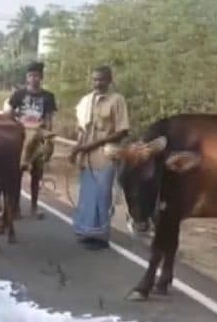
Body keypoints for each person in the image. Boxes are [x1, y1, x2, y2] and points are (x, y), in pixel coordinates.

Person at [70, 65, 130, 250]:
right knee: (87, 193)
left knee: (102, 195)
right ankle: (87, 232)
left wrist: (92, 145)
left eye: (101, 79)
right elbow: (82, 129)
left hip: (105, 153)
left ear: (109, 80)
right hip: (87, 154)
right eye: (95, 79)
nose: (97, 83)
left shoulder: (117, 100)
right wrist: (77, 150)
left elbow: (122, 130)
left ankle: (101, 237)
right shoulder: (87, 101)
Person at [8, 61, 58, 219]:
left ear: (41, 77)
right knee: (16, 174)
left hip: (38, 138)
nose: (33, 78)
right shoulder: (19, 94)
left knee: (36, 175)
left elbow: (49, 119)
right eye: (30, 75)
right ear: (27, 78)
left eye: (36, 75)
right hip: (20, 137)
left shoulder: (48, 97)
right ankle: (15, 207)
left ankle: (34, 207)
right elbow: (9, 112)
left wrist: (49, 140)